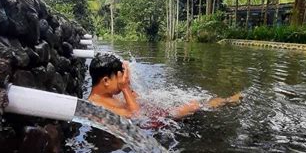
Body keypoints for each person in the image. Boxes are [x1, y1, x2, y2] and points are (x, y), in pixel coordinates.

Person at [88, 53, 242, 120]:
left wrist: (128, 86)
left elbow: (136, 100)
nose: (122, 82)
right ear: (106, 80)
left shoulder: (107, 95)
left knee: (194, 104)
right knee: (194, 106)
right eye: (119, 78)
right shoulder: (96, 105)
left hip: (153, 114)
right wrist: (125, 89)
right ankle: (228, 101)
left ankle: (226, 101)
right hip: (153, 123)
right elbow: (136, 116)